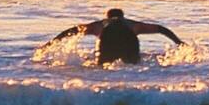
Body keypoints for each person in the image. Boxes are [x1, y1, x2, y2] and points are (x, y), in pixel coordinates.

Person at [45, 8, 185, 65]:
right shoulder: (133, 24)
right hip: (128, 39)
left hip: (107, 39)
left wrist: (51, 43)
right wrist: (178, 42)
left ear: (108, 17)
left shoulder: (99, 25)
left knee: (102, 64)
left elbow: (71, 31)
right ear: (122, 17)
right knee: (132, 63)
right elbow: (161, 29)